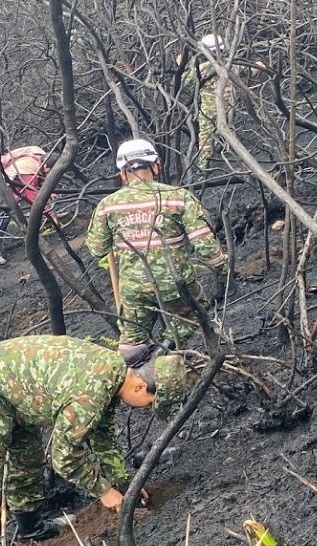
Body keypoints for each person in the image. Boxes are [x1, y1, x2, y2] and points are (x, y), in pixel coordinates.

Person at [0, 335, 189, 546]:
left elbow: (101, 434)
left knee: (27, 456)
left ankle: (30, 528)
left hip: (11, 395)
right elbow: (65, 457)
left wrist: (123, 482)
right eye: (150, 404)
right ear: (139, 387)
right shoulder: (91, 388)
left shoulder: (112, 375)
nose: (146, 410)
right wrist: (105, 492)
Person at [85, 138, 228, 360]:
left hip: (133, 290)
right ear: (155, 166)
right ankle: (167, 355)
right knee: (186, 324)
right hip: (176, 287)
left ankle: (134, 381)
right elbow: (205, 245)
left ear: (122, 173)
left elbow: (96, 249)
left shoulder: (108, 206)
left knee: (131, 341)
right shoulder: (179, 197)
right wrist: (223, 267)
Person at [0, 145, 56, 265]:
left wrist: (50, 191)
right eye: (50, 170)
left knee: (23, 210)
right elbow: (33, 197)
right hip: (0, 187)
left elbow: (40, 177)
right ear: (46, 165)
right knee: (3, 219)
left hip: (15, 182)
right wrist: (50, 213)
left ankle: (44, 224)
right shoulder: (28, 167)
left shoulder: (39, 154)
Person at [184, 34, 232, 173]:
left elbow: (184, 81)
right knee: (228, 132)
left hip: (209, 109)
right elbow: (250, 71)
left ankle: (202, 172)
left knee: (205, 139)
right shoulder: (229, 65)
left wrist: (183, 65)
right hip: (229, 107)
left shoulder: (201, 68)